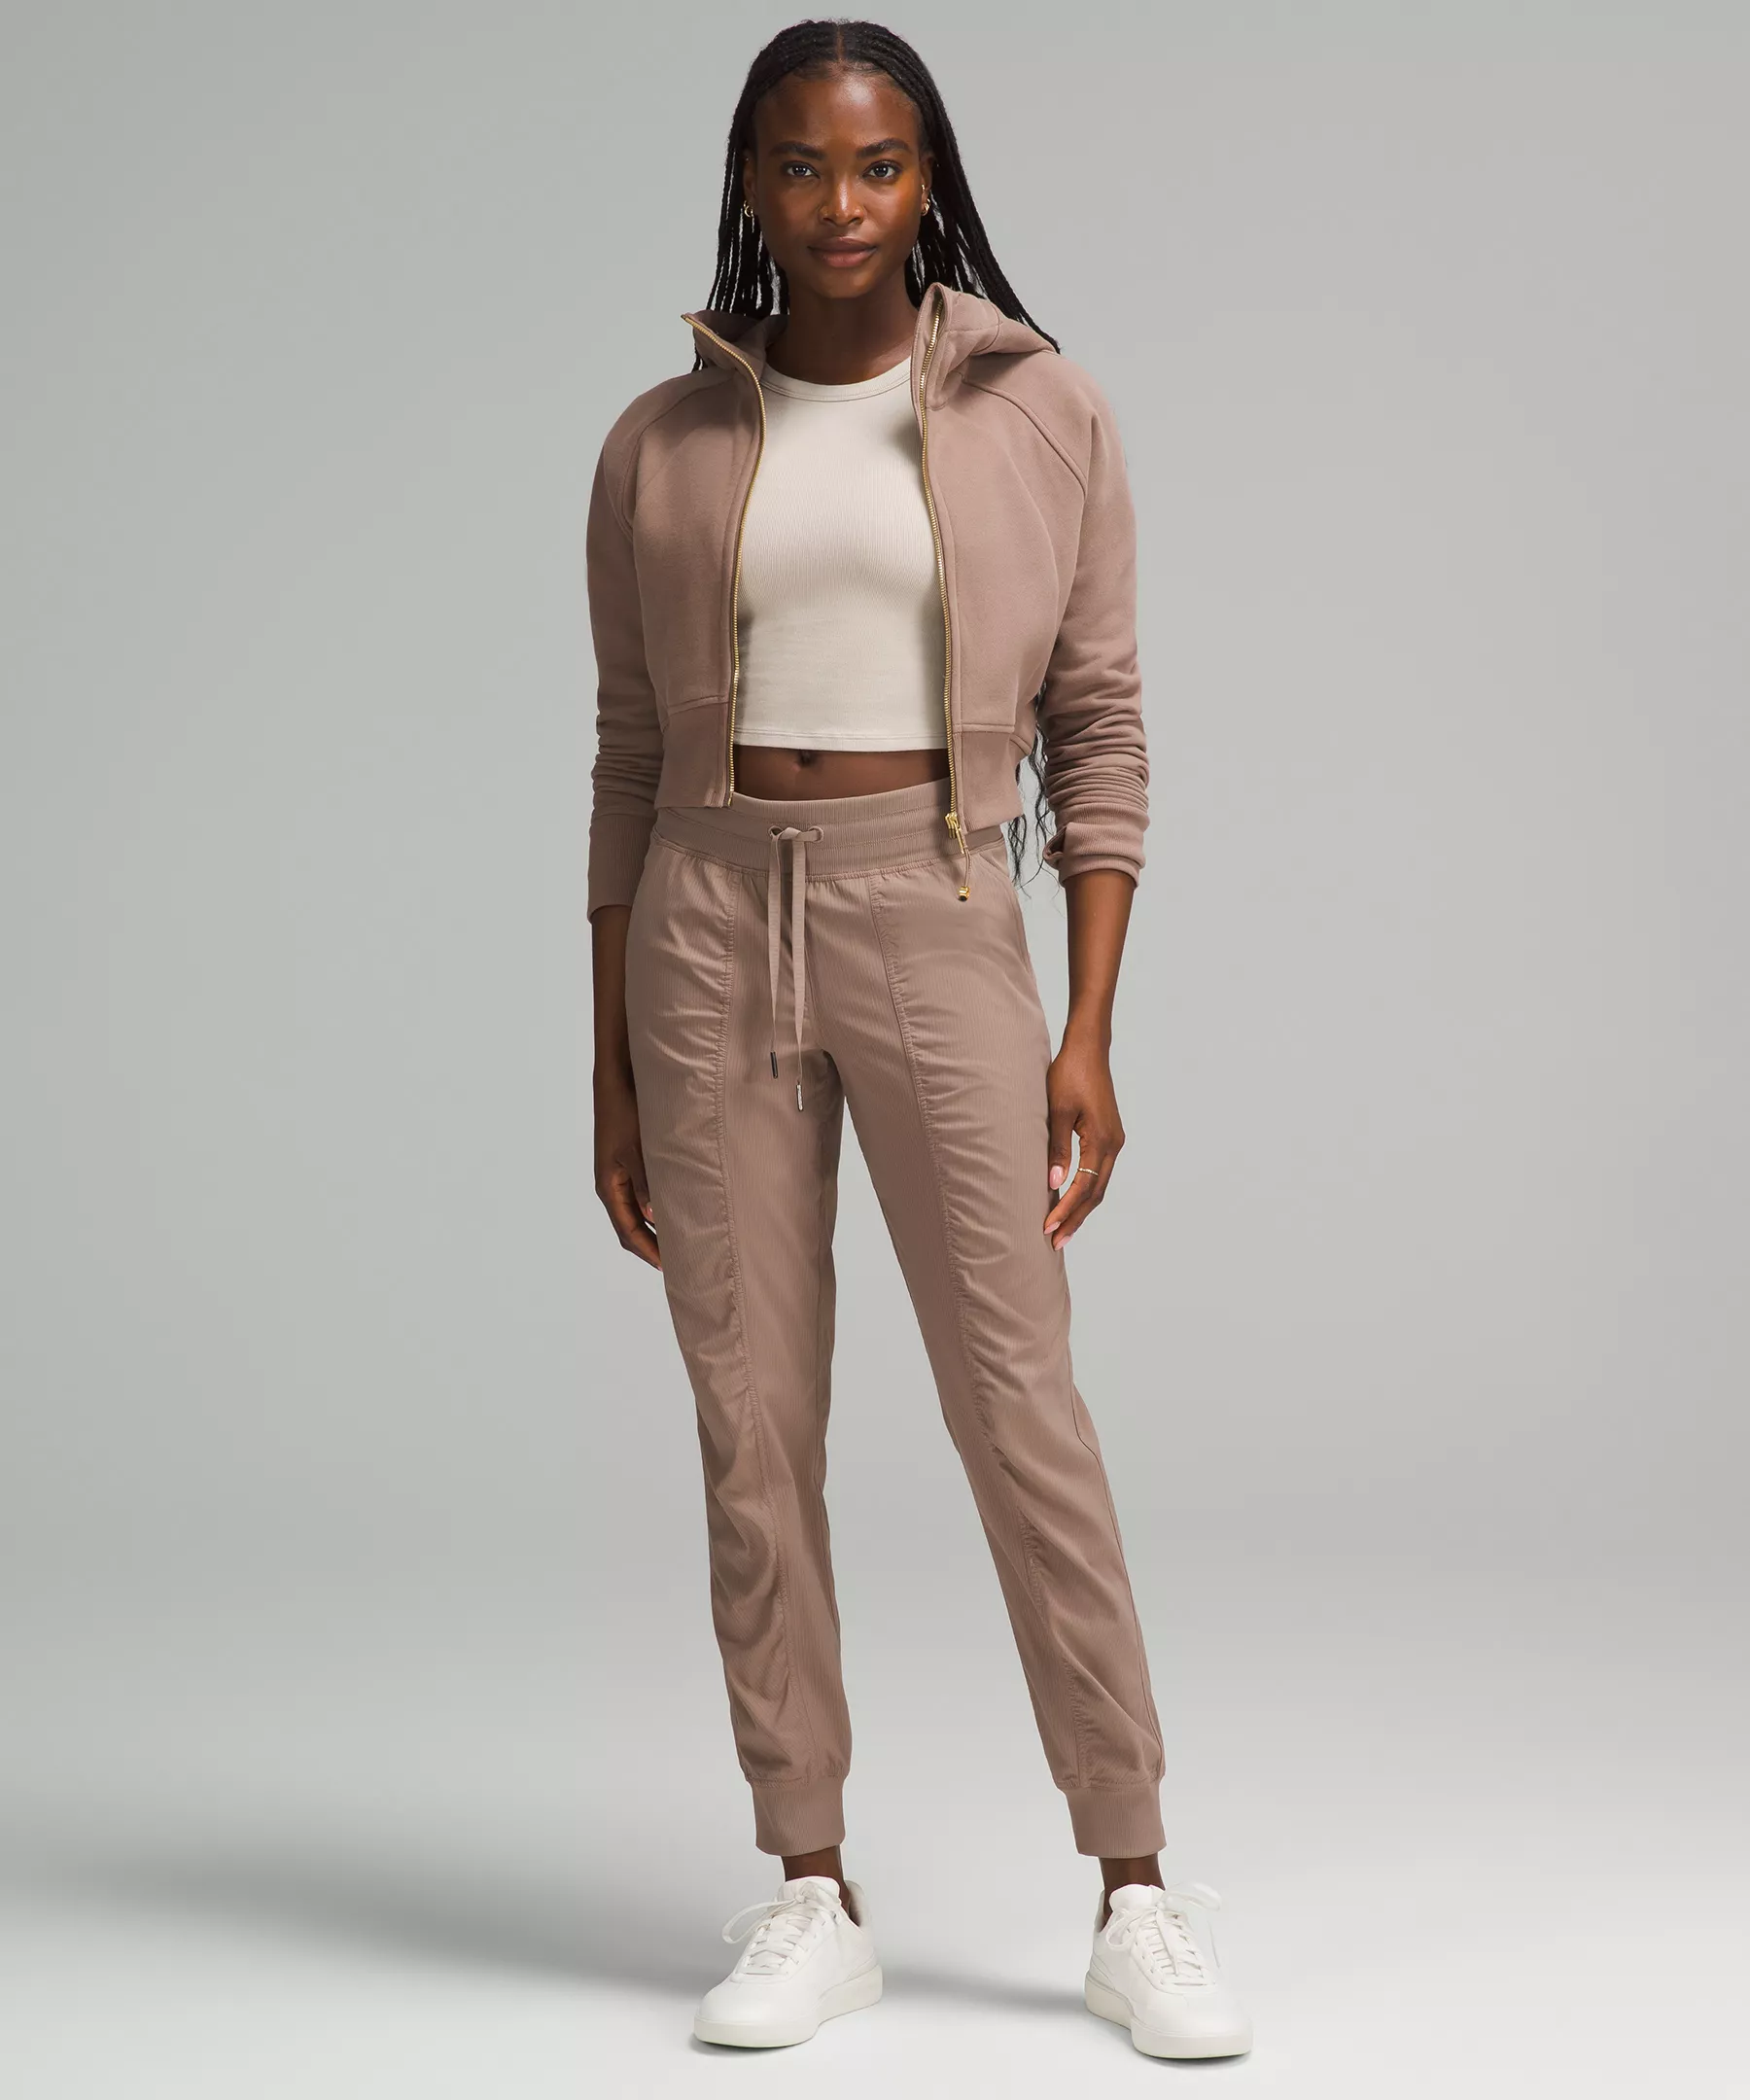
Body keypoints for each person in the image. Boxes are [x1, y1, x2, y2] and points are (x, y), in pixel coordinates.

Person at [586, 18, 1252, 2061]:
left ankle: (1136, 1886)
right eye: (801, 166)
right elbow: (624, 762)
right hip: (706, 921)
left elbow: (1100, 733)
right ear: (751, 184)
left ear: (929, 178)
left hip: (939, 912)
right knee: (750, 1417)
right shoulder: (661, 446)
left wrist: (1091, 1027)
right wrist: (610, 1055)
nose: (842, 205)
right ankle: (810, 1883)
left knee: (1017, 1405)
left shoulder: (1042, 412)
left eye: (878, 166)